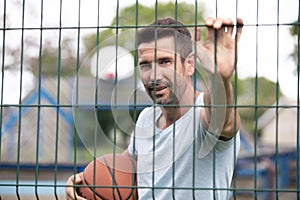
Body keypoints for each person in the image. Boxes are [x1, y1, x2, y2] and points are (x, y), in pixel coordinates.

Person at [66, 16, 243, 200]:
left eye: (165, 62)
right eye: (145, 65)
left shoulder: (204, 115)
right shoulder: (147, 117)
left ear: (190, 65)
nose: (154, 76)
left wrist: (219, 77)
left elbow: (223, 119)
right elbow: (126, 167)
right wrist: (85, 181)